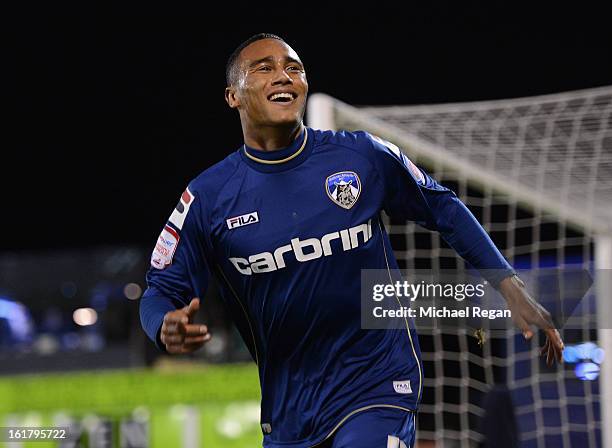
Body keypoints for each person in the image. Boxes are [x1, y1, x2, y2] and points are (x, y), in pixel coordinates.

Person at [139, 33, 564, 448]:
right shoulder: (208, 198)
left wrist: (508, 284)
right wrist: (163, 326)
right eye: (264, 69)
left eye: (294, 68)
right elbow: (161, 288)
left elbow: (444, 208)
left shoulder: (361, 156)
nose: (283, 76)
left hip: (379, 385)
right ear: (233, 95)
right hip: (291, 411)